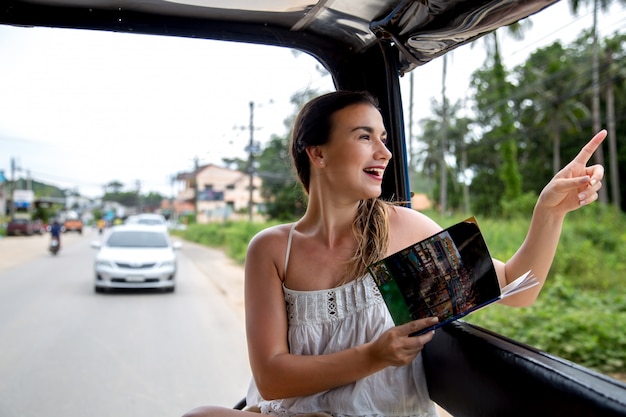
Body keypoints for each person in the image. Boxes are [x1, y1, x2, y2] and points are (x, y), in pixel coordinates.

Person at [182, 91, 606, 417]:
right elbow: (272, 378)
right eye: (364, 136)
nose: (384, 152)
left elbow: (516, 287)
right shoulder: (272, 248)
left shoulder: (405, 230)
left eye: (383, 138)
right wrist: (374, 356)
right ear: (318, 153)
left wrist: (548, 212)